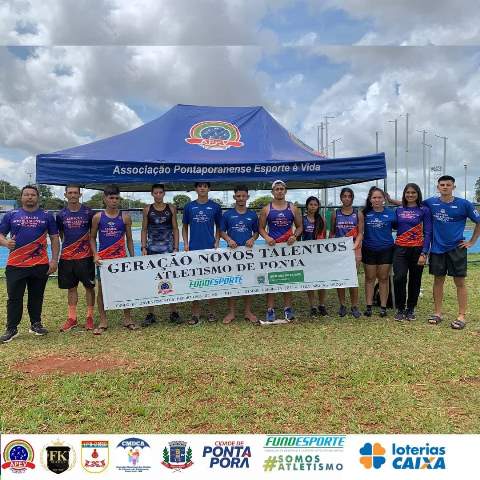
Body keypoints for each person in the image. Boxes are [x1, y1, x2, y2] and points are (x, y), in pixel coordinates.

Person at [0, 185, 60, 343]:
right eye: (26, 194)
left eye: (33, 194)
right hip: (16, 264)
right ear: (21, 197)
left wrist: (54, 260)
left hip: (39, 264)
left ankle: (36, 324)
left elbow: (55, 238)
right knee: (14, 298)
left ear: (37, 197)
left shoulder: (47, 216)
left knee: (36, 296)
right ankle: (12, 328)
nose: (29, 197)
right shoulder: (11, 215)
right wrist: (6, 242)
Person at [423, 175, 480, 329]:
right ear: (438, 187)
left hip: (457, 249)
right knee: (438, 280)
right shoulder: (431, 202)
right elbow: (411, 205)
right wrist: (389, 199)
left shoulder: (464, 204)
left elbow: (478, 220)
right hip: (437, 248)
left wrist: (472, 241)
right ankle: (437, 313)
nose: (445, 187)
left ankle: (461, 316)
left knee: (459, 282)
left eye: (448, 185)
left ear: (453, 187)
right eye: (442, 184)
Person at [90, 184, 138, 334]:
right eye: (111, 198)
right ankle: (103, 321)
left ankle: (127, 318)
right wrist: (95, 255)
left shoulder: (125, 217)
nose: (114, 201)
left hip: (121, 260)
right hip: (103, 261)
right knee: (102, 292)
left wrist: (132, 257)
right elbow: (91, 238)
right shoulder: (98, 217)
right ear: (105, 199)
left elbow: (129, 239)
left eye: (117, 198)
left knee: (125, 289)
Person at [258, 180, 303, 322]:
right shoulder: (266, 209)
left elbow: (300, 226)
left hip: (288, 248)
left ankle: (287, 308)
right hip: (272, 248)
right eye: (277, 189)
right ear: (272, 192)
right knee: (271, 279)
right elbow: (260, 228)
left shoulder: (293, 208)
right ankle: (270, 309)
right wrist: (267, 237)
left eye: (282, 189)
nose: (279, 191)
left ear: (285, 191)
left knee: (287, 278)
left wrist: (295, 236)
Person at [56, 185, 96, 332]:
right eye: (70, 193)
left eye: (75, 193)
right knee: (71, 288)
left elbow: (93, 234)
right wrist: (70, 247)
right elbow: (61, 234)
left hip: (85, 257)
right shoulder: (60, 215)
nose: (73, 195)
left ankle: (89, 317)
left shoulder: (89, 212)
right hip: (67, 257)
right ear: (65, 195)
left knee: (89, 287)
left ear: (80, 195)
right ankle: (72, 318)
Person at [182, 181, 222, 326]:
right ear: (196, 189)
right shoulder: (189, 206)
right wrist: (185, 243)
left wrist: (217, 241)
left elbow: (219, 226)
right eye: (200, 186)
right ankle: (195, 313)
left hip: (210, 249)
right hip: (193, 249)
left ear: (209, 188)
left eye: (205, 186)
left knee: (211, 281)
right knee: (195, 283)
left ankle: (212, 312)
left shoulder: (215, 207)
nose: (202, 188)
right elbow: (184, 227)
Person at [140, 183, 181, 326]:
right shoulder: (147, 209)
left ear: (164, 194)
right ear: (152, 194)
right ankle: (150, 313)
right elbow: (144, 229)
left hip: (168, 249)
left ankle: (173, 312)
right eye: (155, 193)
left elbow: (175, 229)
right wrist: (143, 247)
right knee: (151, 281)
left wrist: (176, 247)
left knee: (170, 280)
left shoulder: (171, 208)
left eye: (160, 193)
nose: (158, 195)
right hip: (151, 250)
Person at [220, 185, 259, 324]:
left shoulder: (253, 215)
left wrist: (252, 239)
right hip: (232, 253)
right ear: (234, 197)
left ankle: (248, 312)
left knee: (248, 282)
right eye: (238, 196)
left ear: (247, 197)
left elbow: (257, 232)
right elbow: (222, 231)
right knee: (232, 282)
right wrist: (229, 239)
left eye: (243, 196)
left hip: (248, 253)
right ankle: (231, 312)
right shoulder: (228, 215)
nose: (241, 198)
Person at [393, 183, 432, 321]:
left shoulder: (424, 210)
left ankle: (410, 308)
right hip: (400, 249)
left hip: (417, 249)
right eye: (408, 192)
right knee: (399, 278)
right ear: (404, 194)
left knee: (415, 280)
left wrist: (424, 253)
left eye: (413, 192)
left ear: (418, 194)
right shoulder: (398, 210)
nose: (410, 195)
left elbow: (428, 232)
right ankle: (400, 308)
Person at [329, 187, 364, 318]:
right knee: (341, 278)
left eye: (349, 196)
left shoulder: (358, 213)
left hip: (355, 249)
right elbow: (332, 233)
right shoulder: (335, 213)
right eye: (344, 196)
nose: (347, 198)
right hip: (339, 251)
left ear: (352, 198)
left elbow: (361, 233)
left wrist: (355, 245)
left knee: (353, 278)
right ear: (341, 198)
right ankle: (342, 305)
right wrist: (332, 246)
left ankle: (354, 306)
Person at [362, 187, 396, 318]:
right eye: (374, 197)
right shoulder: (364, 213)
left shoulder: (391, 213)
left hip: (386, 249)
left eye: (379, 197)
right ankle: (369, 306)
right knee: (369, 278)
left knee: (383, 278)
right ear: (370, 199)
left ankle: (383, 307)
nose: (377, 200)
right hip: (369, 249)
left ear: (384, 199)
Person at [300, 196, 328, 317]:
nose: (313, 207)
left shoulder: (322, 220)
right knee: (310, 280)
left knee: (321, 280)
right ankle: (313, 306)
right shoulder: (302, 220)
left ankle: (322, 305)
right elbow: (298, 237)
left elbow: (325, 239)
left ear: (318, 206)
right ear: (307, 206)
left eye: (315, 205)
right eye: (311, 204)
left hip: (319, 255)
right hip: (307, 255)